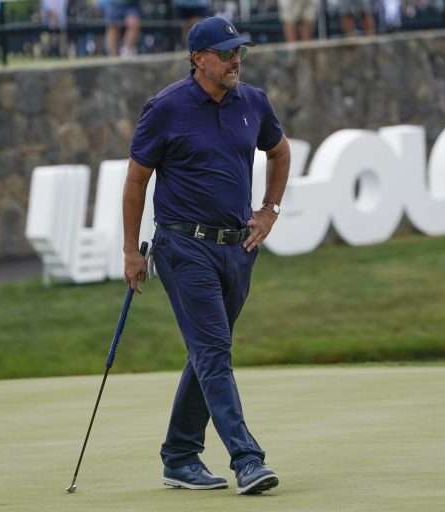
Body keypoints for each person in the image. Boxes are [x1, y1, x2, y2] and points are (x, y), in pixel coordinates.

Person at [122, 16, 291, 495]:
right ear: (199, 58)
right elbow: (136, 181)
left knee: (206, 352)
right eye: (225, 53)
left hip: (237, 248)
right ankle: (247, 460)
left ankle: (178, 456)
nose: (236, 60)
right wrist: (131, 251)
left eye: (239, 51)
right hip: (183, 247)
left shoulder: (252, 102)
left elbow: (279, 153)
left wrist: (269, 210)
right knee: (214, 350)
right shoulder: (166, 108)